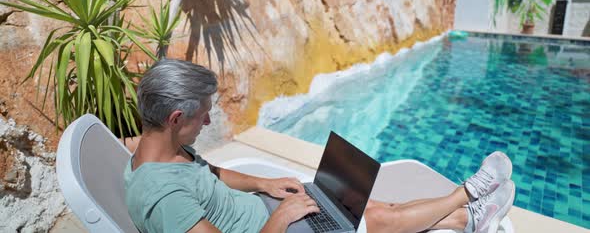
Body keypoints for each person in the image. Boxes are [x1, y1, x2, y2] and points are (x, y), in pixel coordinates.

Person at [125, 59, 515, 233]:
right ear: (176, 118)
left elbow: (211, 174)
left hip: (264, 211)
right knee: (376, 221)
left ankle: (467, 219)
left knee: (363, 206)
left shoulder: (164, 150)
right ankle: (466, 196)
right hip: (270, 228)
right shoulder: (166, 199)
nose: (209, 121)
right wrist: (282, 217)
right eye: (203, 115)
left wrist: (266, 186)